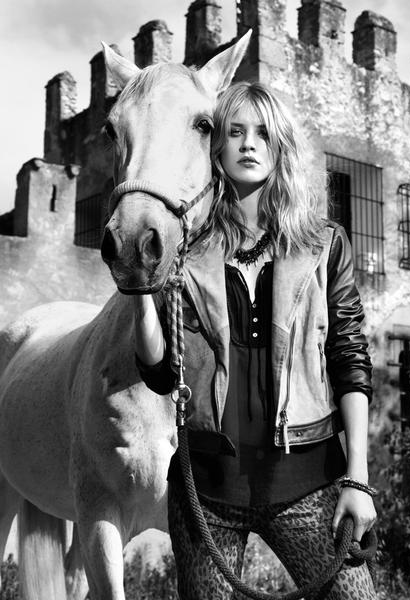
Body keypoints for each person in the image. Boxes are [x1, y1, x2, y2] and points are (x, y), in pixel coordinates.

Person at [132, 81, 377, 599]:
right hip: (207, 493)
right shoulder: (187, 253)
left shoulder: (324, 244)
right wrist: (140, 292)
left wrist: (357, 479)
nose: (249, 143)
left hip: (309, 483)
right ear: (217, 148)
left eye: (263, 133)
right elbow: (162, 374)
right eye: (235, 131)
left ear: (280, 145)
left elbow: (350, 360)